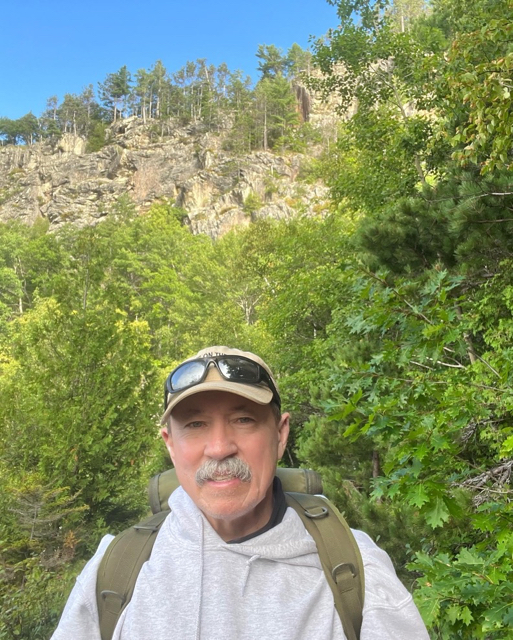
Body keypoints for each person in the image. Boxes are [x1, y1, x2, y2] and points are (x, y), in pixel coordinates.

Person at [51, 346, 429, 640]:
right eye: (195, 424)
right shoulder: (115, 570)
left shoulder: (355, 567)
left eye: (243, 419)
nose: (219, 448)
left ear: (280, 434)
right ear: (170, 445)